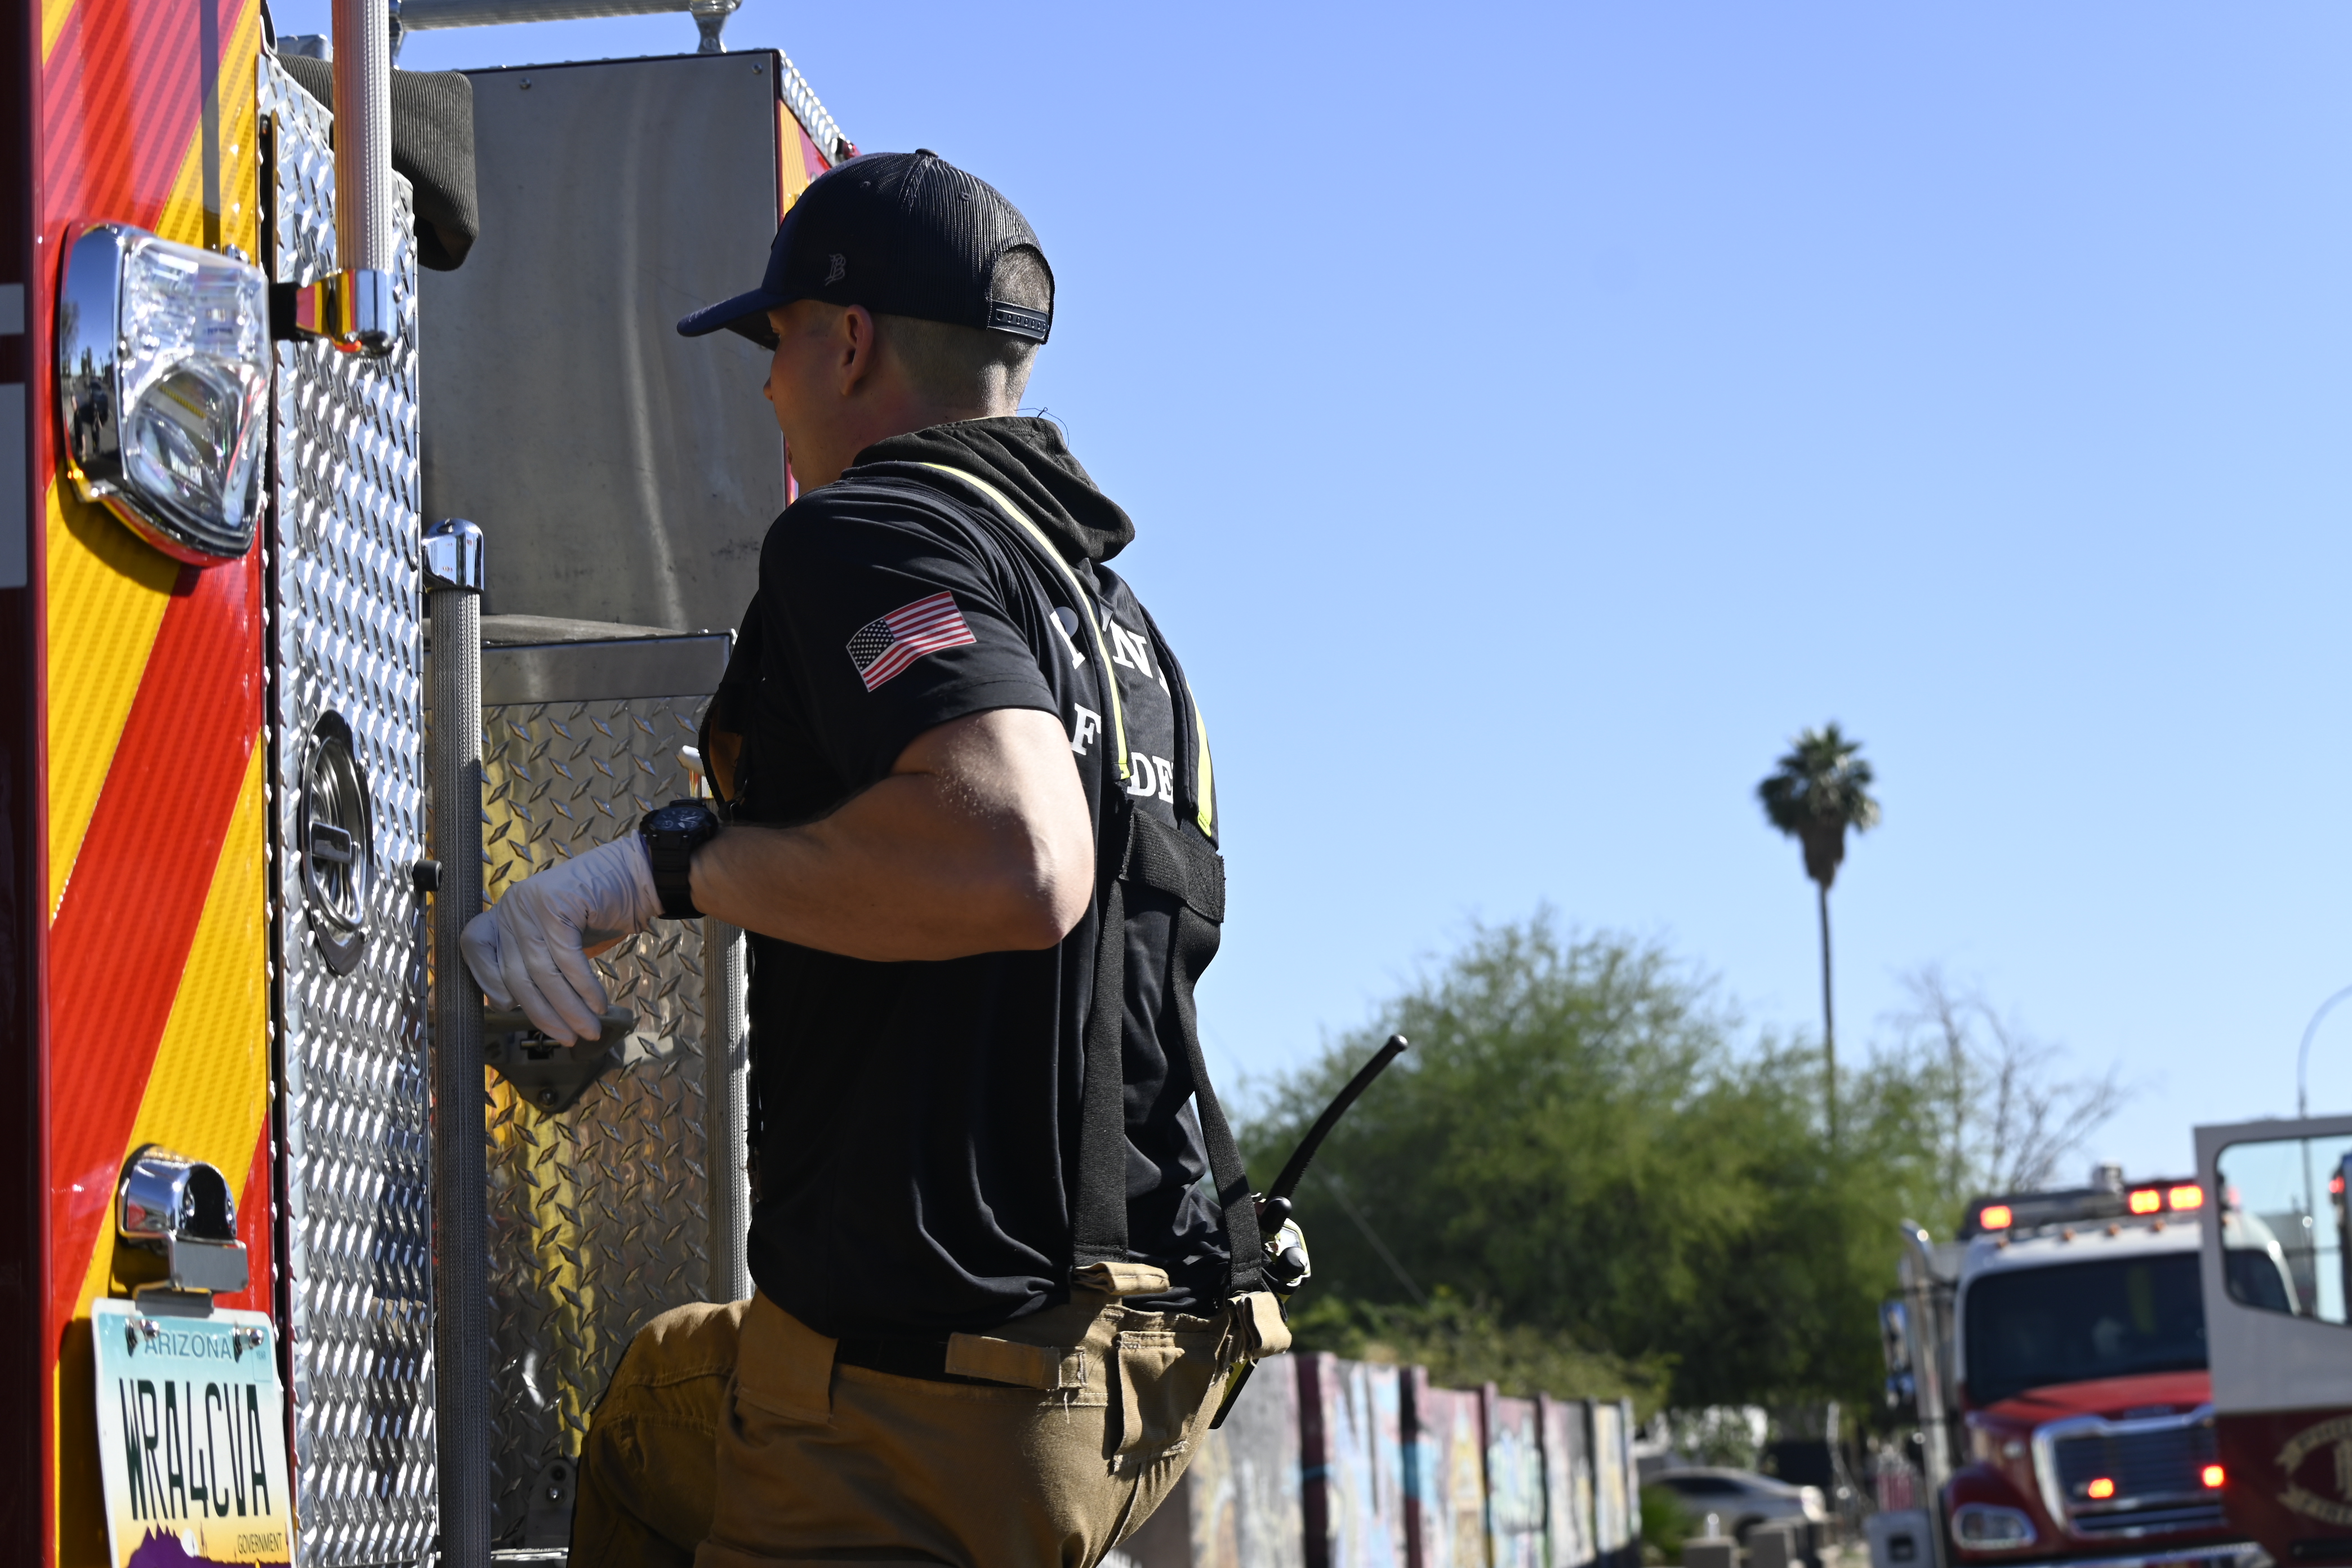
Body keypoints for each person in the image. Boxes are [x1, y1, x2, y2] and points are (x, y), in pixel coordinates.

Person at [460, 148, 1287, 1567]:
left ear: (848, 343)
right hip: (1130, 1364)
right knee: (661, 1405)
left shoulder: (867, 530)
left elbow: (1015, 862)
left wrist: (670, 869)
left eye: (776, 345)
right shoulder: (1113, 623)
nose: (769, 390)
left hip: (934, 1392)